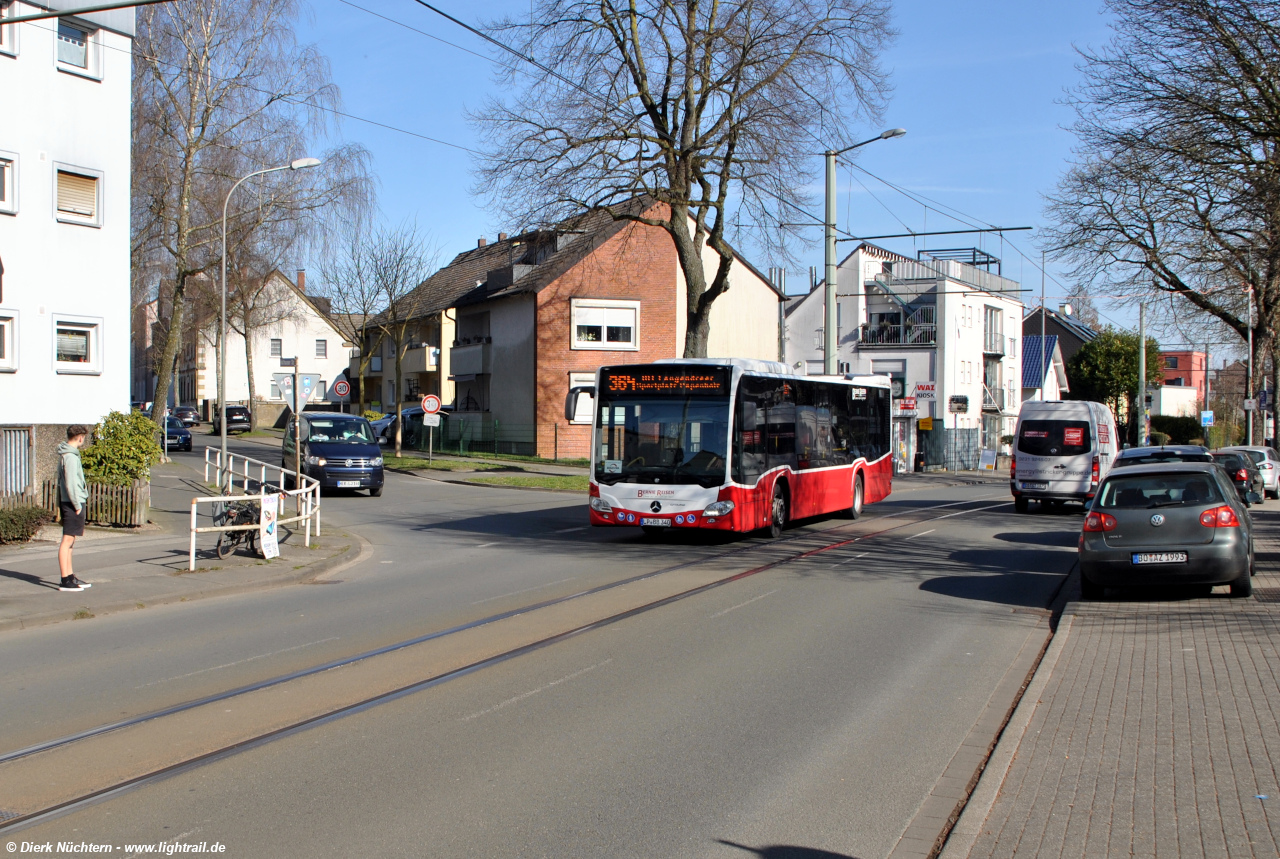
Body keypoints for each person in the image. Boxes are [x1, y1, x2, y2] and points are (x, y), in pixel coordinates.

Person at [57, 424, 92, 592]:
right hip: (73, 502)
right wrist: (77, 504)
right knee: (67, 541)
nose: (83, 440)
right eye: (83, 437)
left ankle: (70, 575)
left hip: (72, 501)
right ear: (79, 437)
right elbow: (70, 483)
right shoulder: (70, 457)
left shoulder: (70, 455)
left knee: (71, 541)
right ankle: (65, 579)